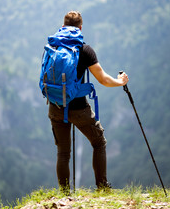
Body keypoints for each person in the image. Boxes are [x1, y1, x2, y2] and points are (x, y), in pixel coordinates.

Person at [48, 11, 129, 192]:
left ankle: (65, 194)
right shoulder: (85, 50)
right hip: (79, 109)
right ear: (81, 28)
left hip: (55, 107)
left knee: (63, 153)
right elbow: (103, 80)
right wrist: (121, 81)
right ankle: (102, 187)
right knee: (99, 143)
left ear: (62, 27)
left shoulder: (52, 47)